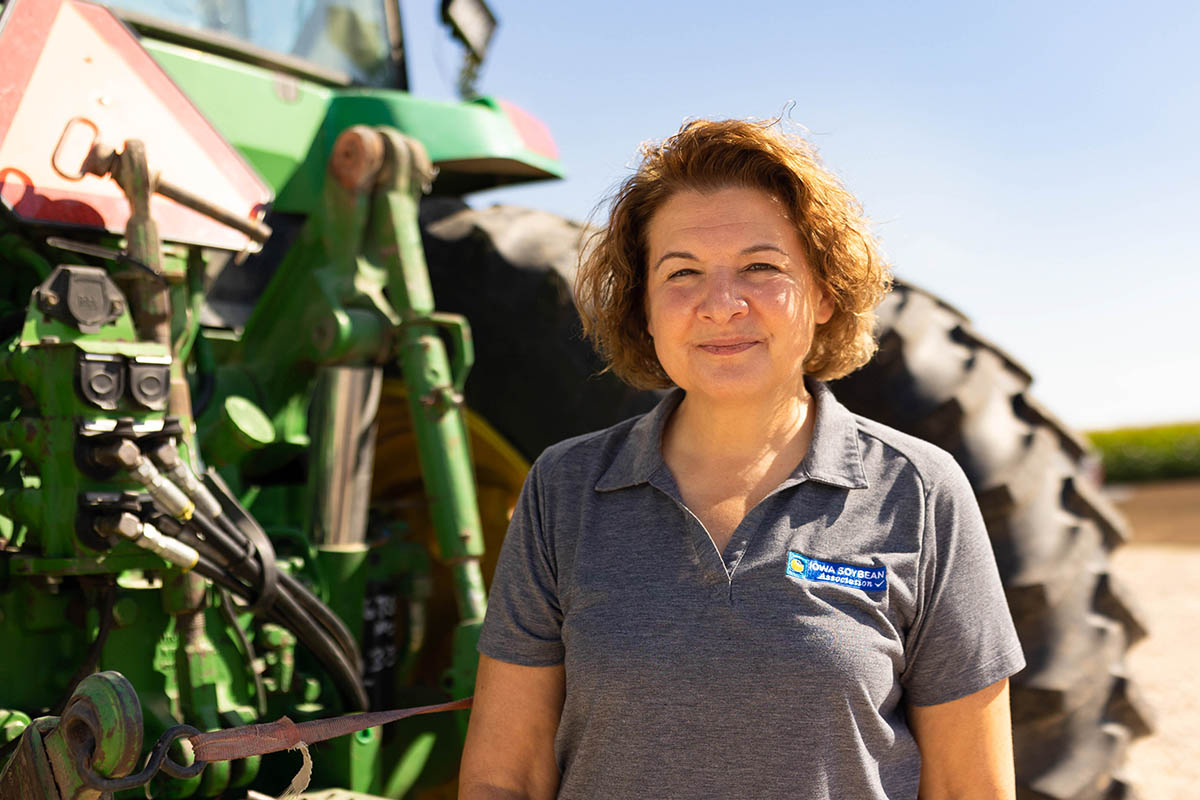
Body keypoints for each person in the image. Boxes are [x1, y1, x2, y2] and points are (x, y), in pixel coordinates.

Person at [459, 118, 1025, 800]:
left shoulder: (920, 492)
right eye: (682, 273)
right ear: (643, 307)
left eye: (761, 267)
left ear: (822, 292)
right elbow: (504, 778)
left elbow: (972, 789)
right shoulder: (565, 489)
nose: (721, 305)